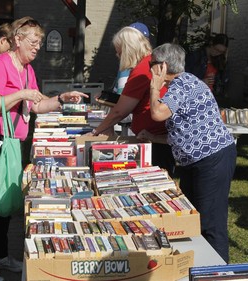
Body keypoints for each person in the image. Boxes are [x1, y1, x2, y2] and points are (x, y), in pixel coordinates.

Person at [0, 16, 87, 281]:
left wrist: (60, 99)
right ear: (17, 40)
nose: (37, 47)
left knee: (7, 202)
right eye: (33, 42)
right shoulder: (0, 64)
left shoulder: (27, 69)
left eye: (40, 43)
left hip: (12, 144)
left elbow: (37, 105)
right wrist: (21, 94)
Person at [148, 43, 237, 263]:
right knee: (191, 217)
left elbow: (158, 114)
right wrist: (152, 138)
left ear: (162, 66)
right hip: (198, 160)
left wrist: (154, 86)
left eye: (152, 65)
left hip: (212, 159)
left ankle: (219, 274)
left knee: (210, 222)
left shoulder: (182, 83)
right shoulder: (182, 84)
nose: (150, 69)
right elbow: (184, 132)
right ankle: (197, 266)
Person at [90, 26, 175, 177]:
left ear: (128, 49)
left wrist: (97, 131)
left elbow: (120, 111)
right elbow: (133, 101)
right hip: (156, 137)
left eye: (120, 51)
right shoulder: (148, 63)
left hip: (155, 141)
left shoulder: (142, 69)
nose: (117, 55)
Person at [185, 33, 229, 99]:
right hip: (194, 96)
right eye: (216, 49)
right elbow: (184, 78)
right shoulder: (196, 56)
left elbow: (223, 80)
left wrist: (225, 58)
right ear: (211, 44)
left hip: (210, 97)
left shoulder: (219, 59)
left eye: (221, 52)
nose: (218, 53)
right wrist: (200, 82)